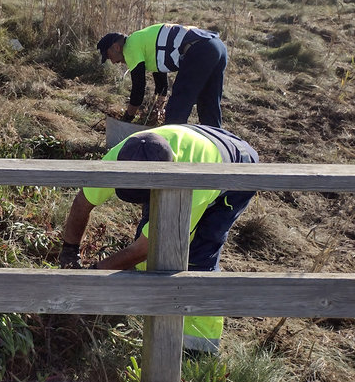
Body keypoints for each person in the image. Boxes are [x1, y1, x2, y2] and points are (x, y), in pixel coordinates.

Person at [57, 124, 258, 354]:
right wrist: (69, 251)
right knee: (152, 239)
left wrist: (93, 275)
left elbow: (145, 247)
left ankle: (199, 349)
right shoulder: (122, 154)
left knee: (196, 258)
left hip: (233, 167)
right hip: (196, 138)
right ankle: (147, 305)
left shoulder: (190, 190)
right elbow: (83, 203)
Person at [97, 24, 228, 127]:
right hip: (216, 46)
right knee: (209, 104)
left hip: (199, 49)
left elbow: (138, 89)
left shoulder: (130, 48)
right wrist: (158, 105)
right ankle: (216, 148)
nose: (113, 62)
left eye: (109, 57)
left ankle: (172, 154)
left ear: (116, 47)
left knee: (176, 109)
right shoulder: (143, 41)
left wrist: (127, 118)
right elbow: (162, 84)